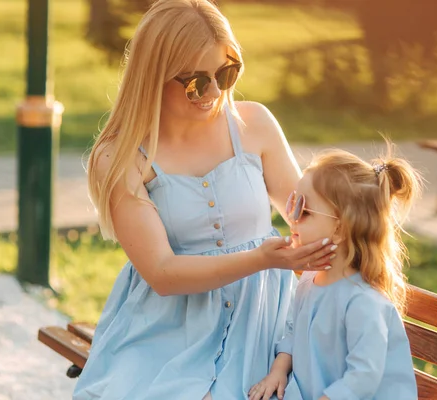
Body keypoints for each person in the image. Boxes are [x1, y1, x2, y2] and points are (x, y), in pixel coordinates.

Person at [72, 1, 337, 399]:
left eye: (226, 73)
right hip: (168, 329)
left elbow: (307, 213)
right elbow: (161, 274)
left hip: (259, 320)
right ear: (154, 76)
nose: (213, 92)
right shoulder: (122, 156)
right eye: (196, 81)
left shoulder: (254, 125)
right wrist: (263, 258)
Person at [248, 147, 421, 400]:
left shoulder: (363, 302)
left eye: (304, 211)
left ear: (340, 230)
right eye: (293, 204)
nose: (291, 218)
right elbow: (294, 332)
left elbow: (363, 377)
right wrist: (278, 370)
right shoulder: (310, 279)